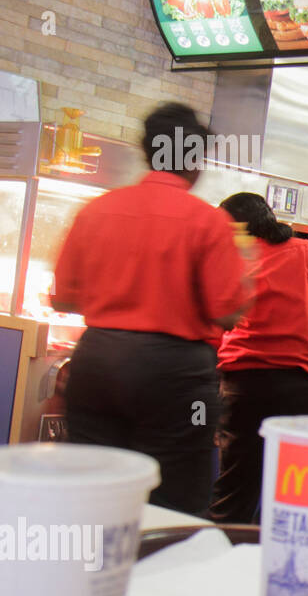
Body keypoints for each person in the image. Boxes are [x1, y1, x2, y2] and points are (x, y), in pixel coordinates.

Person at [52, 102, 250, 515]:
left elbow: (65, 299)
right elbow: (227, 311)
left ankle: (86, 572)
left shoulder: (96, 210)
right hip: (176, 378)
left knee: (91, 490)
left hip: (97, 364)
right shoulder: (207, 222)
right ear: (194, 161)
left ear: (148, 152)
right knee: (174, 498)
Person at [208, 193, 308, 524]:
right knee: (300, 498)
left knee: (235, 494)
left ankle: (221, 565)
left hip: (245, 390)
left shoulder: (234, 260)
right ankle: (291, 568)